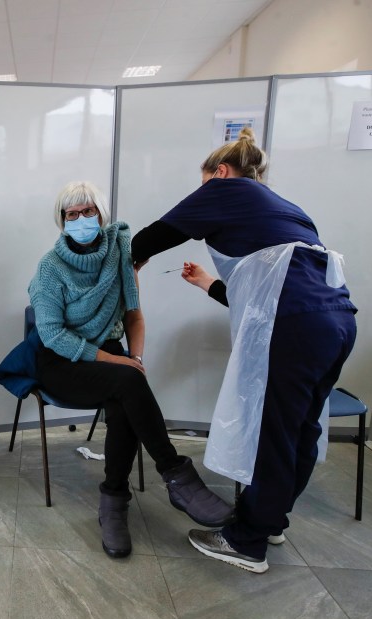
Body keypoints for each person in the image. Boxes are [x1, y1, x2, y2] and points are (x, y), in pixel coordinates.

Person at [132, 128, 357, 574]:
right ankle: (270, 520)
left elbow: (153, 236)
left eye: (204, 183)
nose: (202, 193)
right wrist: (208, 284)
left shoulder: (226, 188)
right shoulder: (288, 209)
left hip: (294, 325)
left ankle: (247, 541)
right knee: (300, 428)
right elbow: (269, 288)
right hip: (336, 320)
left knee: (273, 434)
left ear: (219, 172)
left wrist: (129, 262)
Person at [29, 181, 235, 559]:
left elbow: (134, 317)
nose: (80, 219)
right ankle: (173, 477)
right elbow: (53, 335)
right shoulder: (49, 268)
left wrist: (135, 359)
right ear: (61, 221)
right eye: (71, 214)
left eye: (88, 211)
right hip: (61, 363)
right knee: (125, 383)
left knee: (125, 392)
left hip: (111, 360)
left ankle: (115, 502)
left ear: (102, 214)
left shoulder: (120, 256)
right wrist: (122, 363)